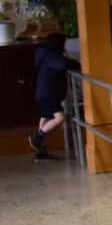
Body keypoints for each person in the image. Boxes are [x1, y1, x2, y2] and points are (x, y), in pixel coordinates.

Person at [28, 32, 78, 160]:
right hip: (49, 93)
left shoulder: (45, 54)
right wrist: (77, 64)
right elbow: (62, 64)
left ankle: (41, 150)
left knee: (45, 118)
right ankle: (37, 138)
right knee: (60, 117)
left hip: (44, 93)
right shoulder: (51, 56)